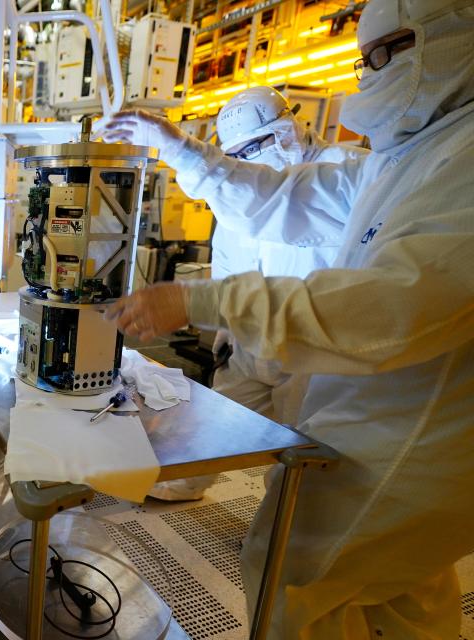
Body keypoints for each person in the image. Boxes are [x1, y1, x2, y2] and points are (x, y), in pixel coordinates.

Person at [103, 0, 474, 636]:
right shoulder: (405, 158)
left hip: (409, 434)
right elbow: (282, 199)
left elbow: (390, 307)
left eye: (383, 57)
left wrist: (204, 303)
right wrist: (180, 149)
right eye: (366, 63)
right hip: (334, 377)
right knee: (398, 591)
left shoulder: (459, 161)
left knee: (290, 571)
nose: (371, 76)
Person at [150, 87, 368, 502]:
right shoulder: (240, 189)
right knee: (220, 416)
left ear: (288, 127)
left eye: (256, 146)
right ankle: (185, 480)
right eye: (238, 154)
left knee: (301, 446)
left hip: (315, 345)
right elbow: (231, 259)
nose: (248, 159)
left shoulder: (345, 172)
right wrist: (225, 329)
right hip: (253, 335)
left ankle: (287, 530)